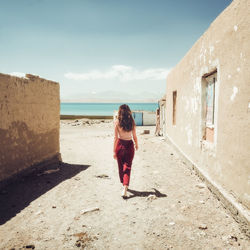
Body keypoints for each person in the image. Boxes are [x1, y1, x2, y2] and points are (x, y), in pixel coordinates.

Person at [113, 104, 138, 198]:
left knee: (120, 166)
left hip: (120, 145)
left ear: (120, 112)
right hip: (129, 145)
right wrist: (137, 144)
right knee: (127, 167)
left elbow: (115, 138)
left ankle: (124, 184)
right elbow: (135, 136)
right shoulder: (132, 122)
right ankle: (125, 186)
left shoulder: (117, 122)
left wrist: (114, 151)